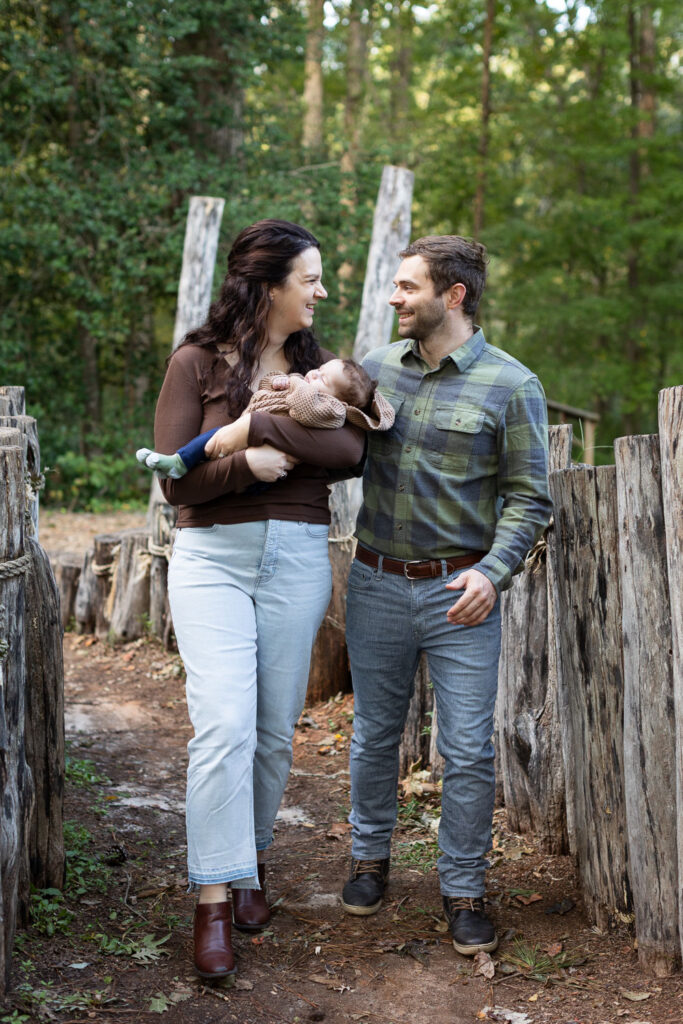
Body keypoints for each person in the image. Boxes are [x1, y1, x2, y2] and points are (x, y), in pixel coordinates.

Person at [152, 219, 366, 980]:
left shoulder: (320, 368)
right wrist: (251, 462)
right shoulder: (195, 361)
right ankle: (213, 900)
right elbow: (176, 483)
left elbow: (352, 450)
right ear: (269, 286)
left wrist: (249, 428)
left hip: (299, 559)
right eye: (310, 278)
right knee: (224, 727)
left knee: (273, 732)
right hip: (213, 558)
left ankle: (250, 863)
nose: (321, 292)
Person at [341, 235, 552, 957]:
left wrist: (492, 573)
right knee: (374, 733)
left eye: (408, 287)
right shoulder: (373, 370)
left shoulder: (512, 385)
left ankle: (463, 889)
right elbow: (332, 449)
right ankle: (368, 859)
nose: (393, 298)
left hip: (460, 594)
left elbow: (529, 498)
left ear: (452, 295)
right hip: (373, 581)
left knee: (464, 750)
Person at [136, 357, 393, 480]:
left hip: (266, 459)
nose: (313, 374)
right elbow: (266, 389)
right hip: (241, 433)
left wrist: (294, 382)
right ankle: (178, 461)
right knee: (210, 440)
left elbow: (305, 409)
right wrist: (279, 380)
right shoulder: (303, 384)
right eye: (319, 369)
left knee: (248, 474)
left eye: (322, 379)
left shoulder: (332, 409)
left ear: (339, 399)